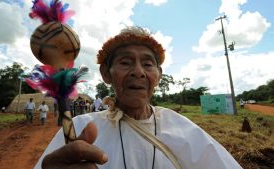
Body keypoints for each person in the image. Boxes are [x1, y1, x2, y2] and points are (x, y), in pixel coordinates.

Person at [35, 26, 242, 169]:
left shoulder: (184, 129)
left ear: (158, 76)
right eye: (125, 62)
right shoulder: (80, 128)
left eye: (148, 64)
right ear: (106, 74)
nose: (138, 72)